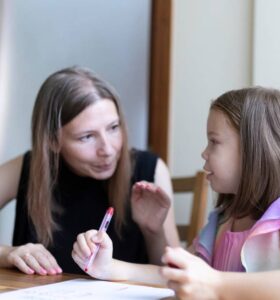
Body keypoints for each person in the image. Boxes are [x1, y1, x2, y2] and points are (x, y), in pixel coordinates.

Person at [72, 87, 280, 299]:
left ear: (256, 151)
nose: (204, 153)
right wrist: (109, 268)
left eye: (214, 142)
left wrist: (216, 283)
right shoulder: (221, 222)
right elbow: (182, 275)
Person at [0, 66, 179, 276]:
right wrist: (6, 253)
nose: (108, 149)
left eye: (113, 128)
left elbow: (176, 277)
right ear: (52, 140)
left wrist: (154, 233)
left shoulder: (150, 170)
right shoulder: (26, 169)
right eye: (87, 137)